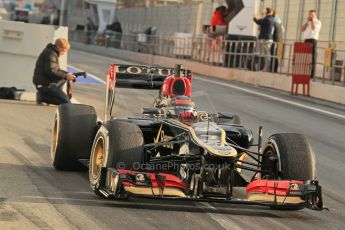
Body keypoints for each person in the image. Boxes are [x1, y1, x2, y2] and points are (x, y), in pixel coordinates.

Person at [33, 38, 76, 105]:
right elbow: (51, 71)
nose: (64, 53)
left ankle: (44, 96)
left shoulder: (52, 52)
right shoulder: (51, 54)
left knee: (64, 78)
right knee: (66, 102)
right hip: (45, 84)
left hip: (46, 82)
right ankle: (42, 97)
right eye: (64, 50)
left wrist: (67, 74)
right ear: (58, 47)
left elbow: (56, 70)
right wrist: (66, 75)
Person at [301, 10, 321, 79]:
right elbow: (302, 29)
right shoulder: (308, 22)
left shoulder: (318, 22)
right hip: (306, 39)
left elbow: (314, 28)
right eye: (309, 14)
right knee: (305, 57)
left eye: (312, 15)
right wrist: (307, 22)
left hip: (313, 39)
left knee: (312, 58)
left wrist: (312, 21)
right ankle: (304, 73)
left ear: (315, 15)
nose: (310, 16)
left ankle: (312, 75)